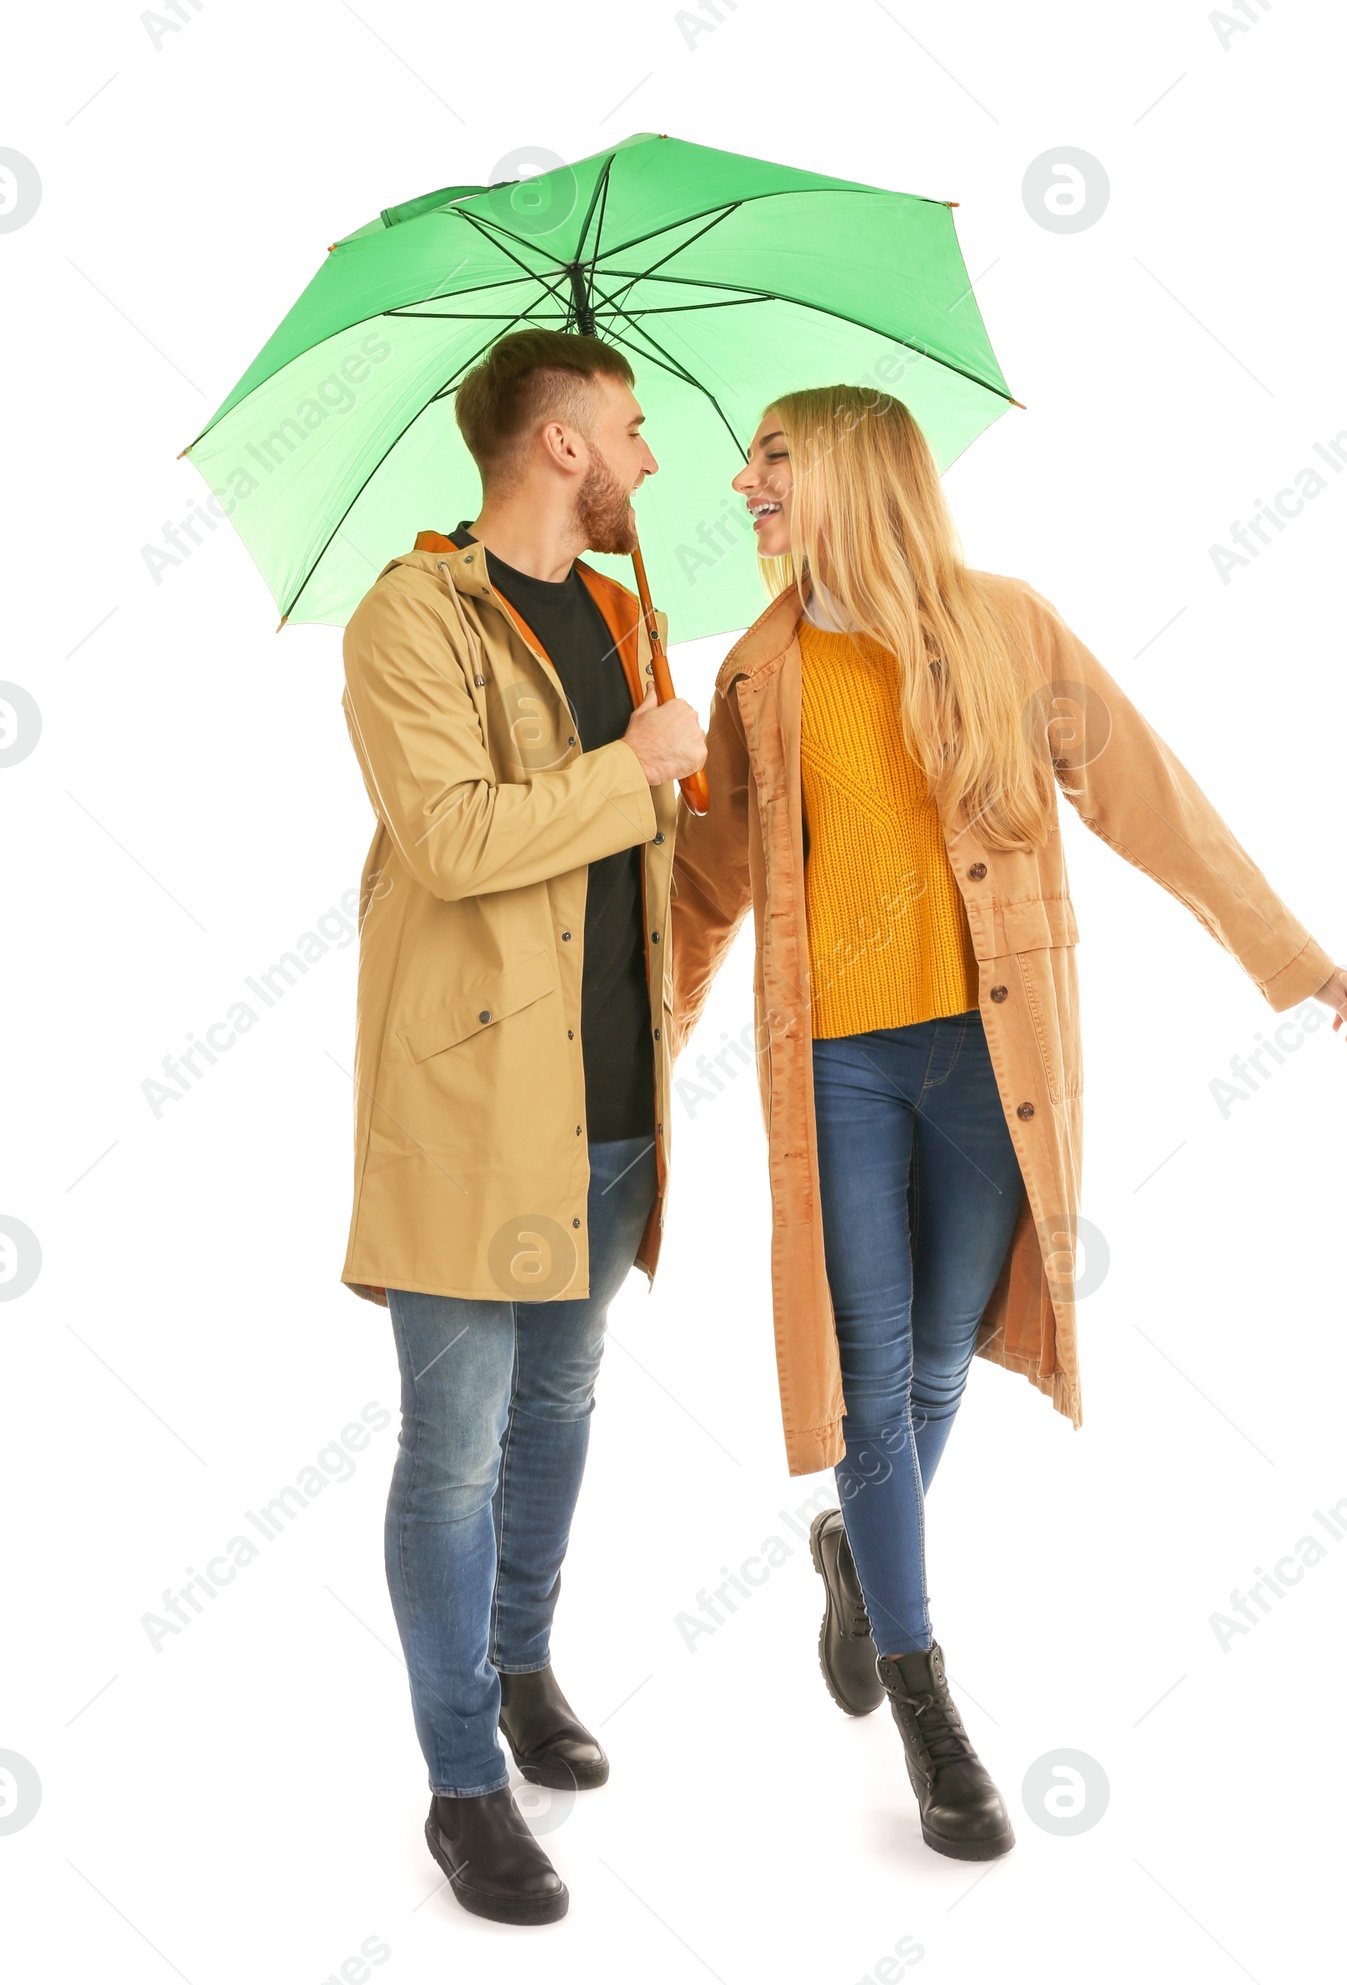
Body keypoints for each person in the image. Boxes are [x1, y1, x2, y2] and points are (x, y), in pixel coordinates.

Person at [669, 384, 1347, 1862]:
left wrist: (1297, 957)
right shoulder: (756, 670)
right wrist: (626, 1068)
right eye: (749, 462)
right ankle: (931, 1702)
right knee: (876, 1375)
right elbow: (702, 895)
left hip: (994, 1061)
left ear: (857, 475)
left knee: (943, 1353)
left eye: (776, 459)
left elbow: (1152, 803)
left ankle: (857, 1559)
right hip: (843, 1071)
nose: (742, 481)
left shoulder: (1010, 629)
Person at [339, 328, 705, 1924]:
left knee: (560, 1409)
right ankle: (462, 1784)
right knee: (454, 1453)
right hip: (476, 1109)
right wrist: (634, 765)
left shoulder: (629, 613)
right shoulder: (409, 618)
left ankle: (521, 1662)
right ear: (560, 445)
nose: (647, 457)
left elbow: (647, 859)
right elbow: (453, 837)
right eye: (629, 426)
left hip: (616, 1108)